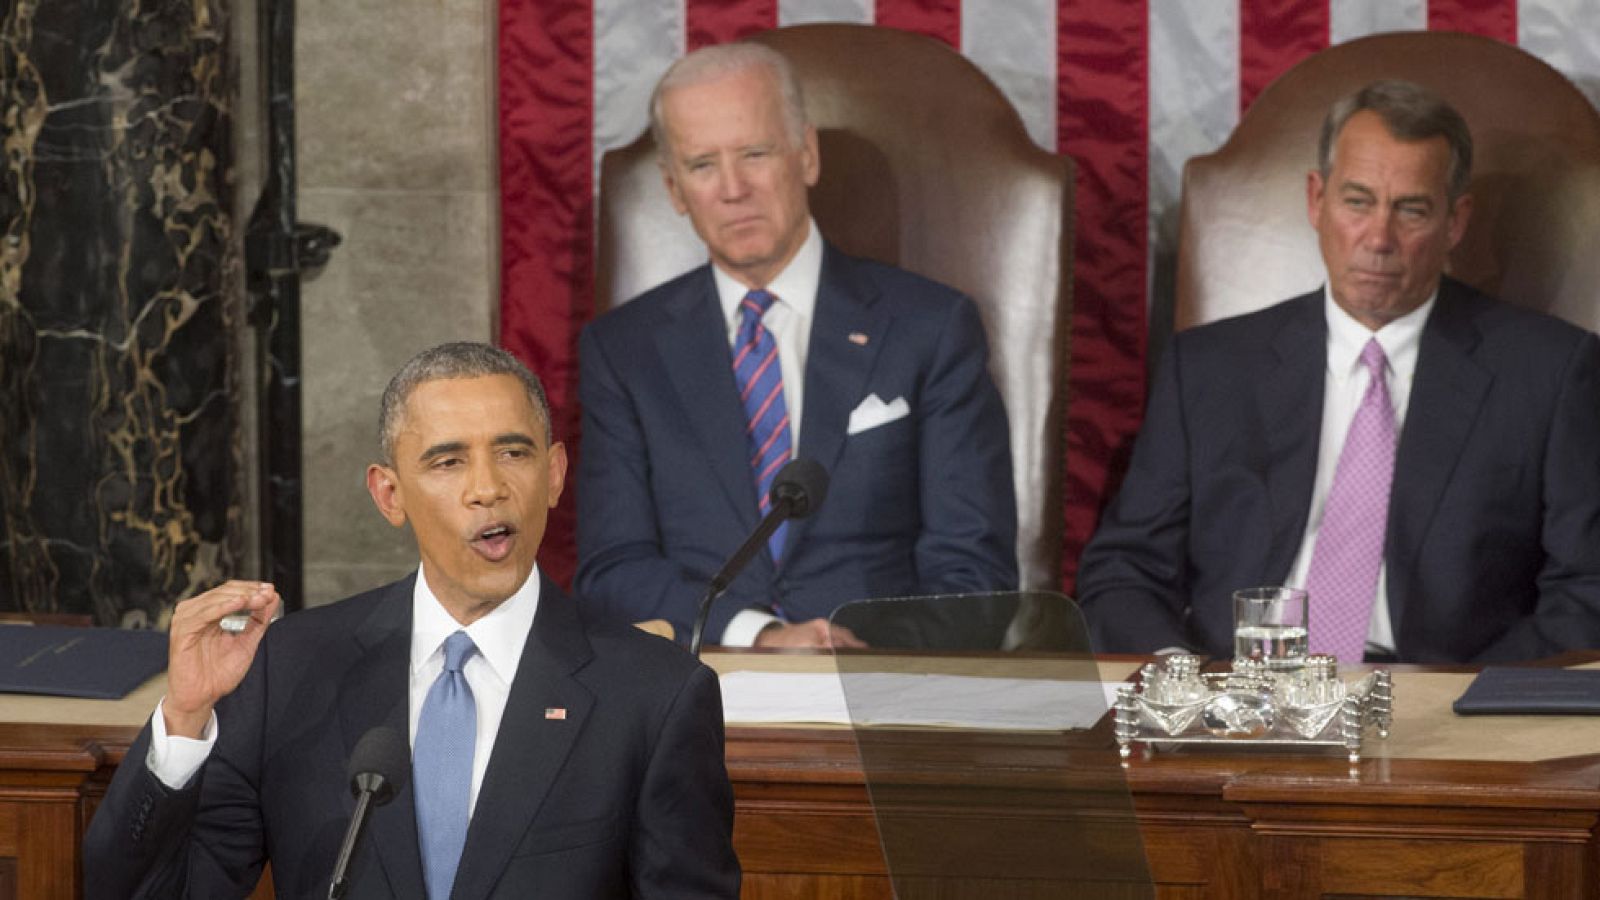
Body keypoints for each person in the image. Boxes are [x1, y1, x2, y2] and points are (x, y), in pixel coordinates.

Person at [84, 343, 739, 898]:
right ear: (389, 494)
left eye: (513, 453)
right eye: (448, 461)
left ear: (555, 473)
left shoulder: (656, 696)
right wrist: (185, 718)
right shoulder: (290, 667)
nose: (487, 487)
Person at [1078, 79, 1600, 664]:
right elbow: (1123, 570)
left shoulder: (1550, 372)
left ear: (1455, 222)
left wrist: (1471, 699)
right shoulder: (1208, 369)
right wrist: (1190, 684)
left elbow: (1587, 589)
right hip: (1238, 691)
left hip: (1441, 709)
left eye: (1411, 209)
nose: (1379, 239)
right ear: (1316, 200)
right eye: (1357, 201)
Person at [576, 42, 1018, 649]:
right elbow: (613, 568)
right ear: (675, 190)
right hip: (702, 687)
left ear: (806, 155)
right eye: (703, 165)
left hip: (879, 689)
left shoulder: (930, 328)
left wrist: (859, 652)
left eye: (755, 154)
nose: (733, 189)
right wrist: (756, 635)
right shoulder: (623, 351)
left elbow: (975, 572)